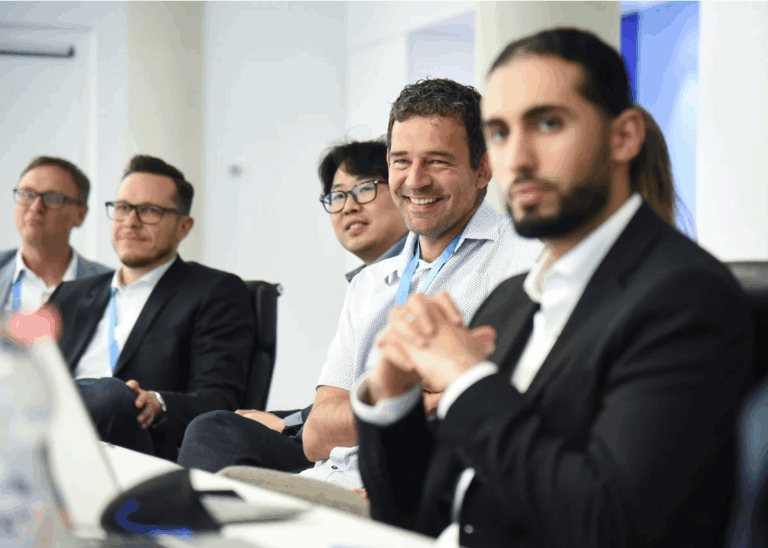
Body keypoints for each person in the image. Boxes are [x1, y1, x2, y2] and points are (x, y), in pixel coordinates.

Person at [352, 27, 754, 548]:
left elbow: (610, 525)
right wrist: (393, 399)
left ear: (624, 137)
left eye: (547, 124)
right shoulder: (512, 298)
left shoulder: (685, 297)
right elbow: (416, 517)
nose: (517, 159)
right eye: (500, 132)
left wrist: (467, 382)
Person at [299, 78, 543, 490]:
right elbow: (316, 435)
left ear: (483, 169)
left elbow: (499, 405)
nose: (415, 180)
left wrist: (366, 404)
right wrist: (405, 396)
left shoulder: (527, 262)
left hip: (416, 493)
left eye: (438, 162)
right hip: (324, 480)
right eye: (400, 161)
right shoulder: (369, 283)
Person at [177, 139, 409, 473]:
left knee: (214, 432)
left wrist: (290, 423)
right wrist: (291, 420)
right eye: (337, 196)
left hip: (374, 453)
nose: (349, 206)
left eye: (364, 189)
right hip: (338, 437)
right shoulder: (365, 283)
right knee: (223, 425)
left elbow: (384, 393)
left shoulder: (425, 272)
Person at [48, 154, 255, 460]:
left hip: (135, 447)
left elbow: (220, 400)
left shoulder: (215, 291)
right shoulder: (70, 294)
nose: (131, 221)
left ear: (183, 227)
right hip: (49, 437)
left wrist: (158, 402)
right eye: (122, 208)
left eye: (149, 211)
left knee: (113, 395)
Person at [1, 156, 110, 317]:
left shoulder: (109, 287)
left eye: (53, 198)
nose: (36, 207)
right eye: (28, 194)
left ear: (80, 215)